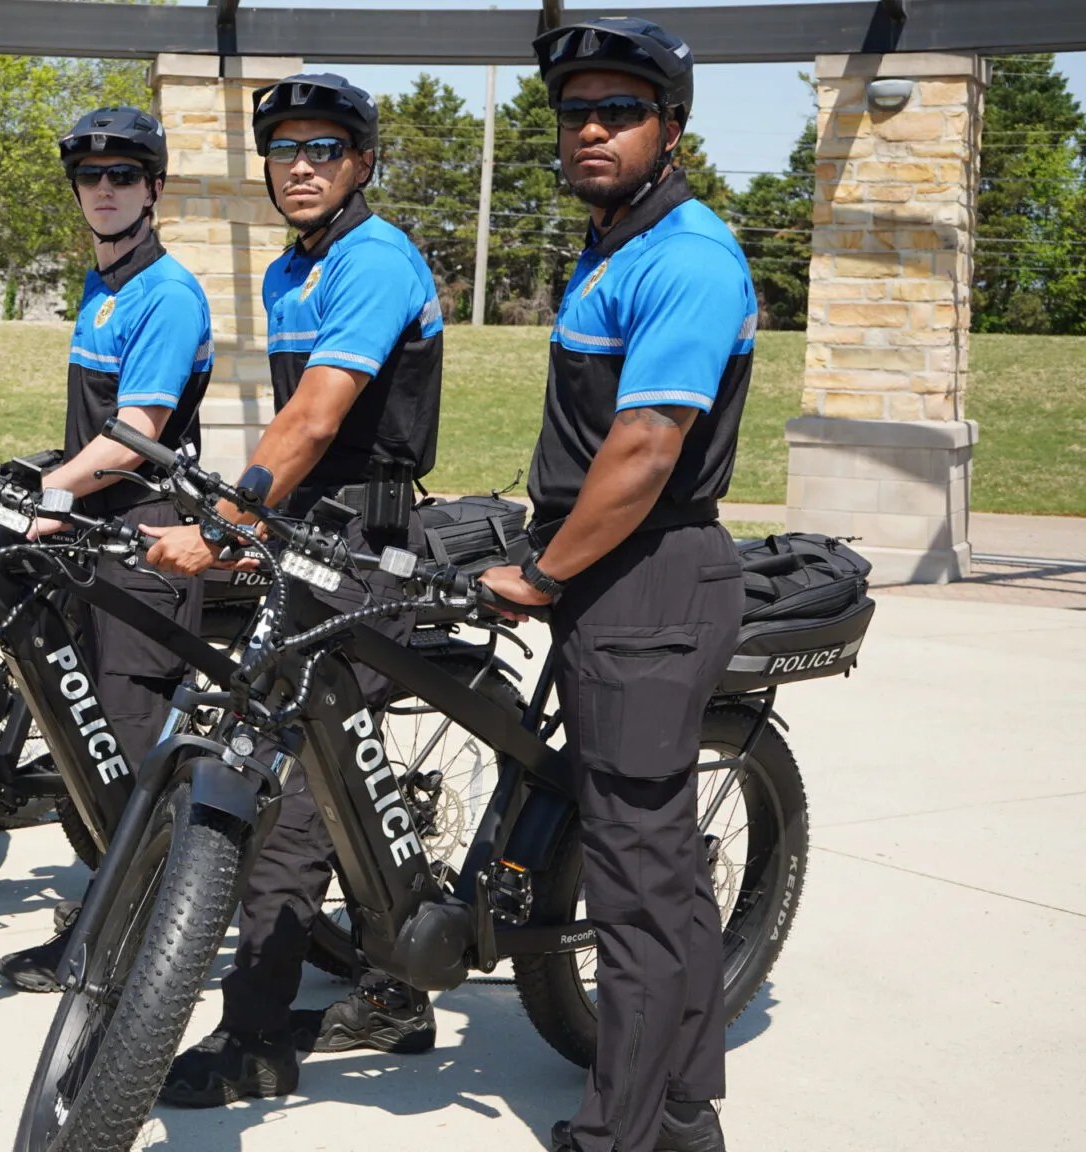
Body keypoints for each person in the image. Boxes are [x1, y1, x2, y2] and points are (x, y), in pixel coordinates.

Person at [143, 72, 448, 1108]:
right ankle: (386, 983)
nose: (301, 166)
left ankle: (256, 1039)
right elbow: (288, 439)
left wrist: (224, 522)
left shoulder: (370, 259)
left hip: (367, 545)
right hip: (310, 537)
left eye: (324, 148)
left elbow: (314, 421)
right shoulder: (288, 271)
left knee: (300, 799)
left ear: (361, 162)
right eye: (283, 150)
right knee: (288, 771)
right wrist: (251, 521)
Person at [476, 19, 750, 1152]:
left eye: (618, 112)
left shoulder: (684, 255)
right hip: (616, 575)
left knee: (634, 885)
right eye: (573, 113)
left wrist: (542, 570)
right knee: (658, 872)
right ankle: (682, 1110)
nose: (589, 129)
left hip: (644, 578)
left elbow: (640, 454)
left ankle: (620, 1136)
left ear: (669, 128)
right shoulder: (612, 248)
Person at [0, 106, 213, 992]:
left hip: (146, 549)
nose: (107, 189)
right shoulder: (105, 289)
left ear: (153, 189)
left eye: (125, 175)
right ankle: (108, 915)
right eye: (92, 177)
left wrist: (48, 497)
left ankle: (129, 944)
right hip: (95, 537)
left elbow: (134, 436)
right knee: (87, 750)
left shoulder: (165, 293)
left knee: (126, 755)